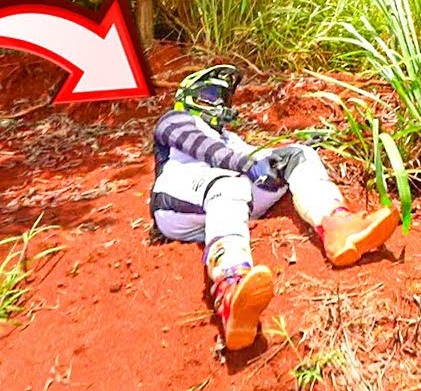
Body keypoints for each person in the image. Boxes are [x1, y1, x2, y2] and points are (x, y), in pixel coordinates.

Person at [150, 64, 399, 350]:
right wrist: (247, 164)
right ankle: (230, 286)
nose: (217, 101)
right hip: (175, 204)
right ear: (188, 97)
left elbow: (257, 159)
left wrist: (290, 153)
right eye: (208, 93)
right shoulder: (175, 120)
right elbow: (203, 147)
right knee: (228, 183)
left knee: (297, 155)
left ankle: (336, 224)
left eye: (223, 95)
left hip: (225, 198)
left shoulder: (229, 138)